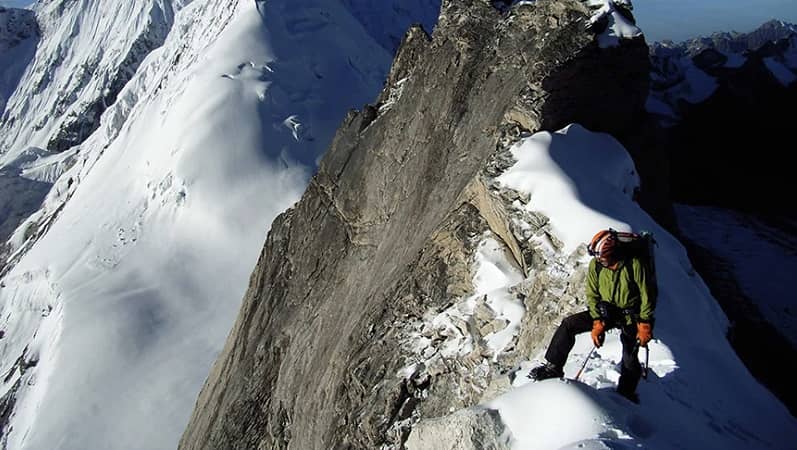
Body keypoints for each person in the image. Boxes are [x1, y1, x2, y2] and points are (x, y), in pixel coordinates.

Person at [528, 229, 657, 403]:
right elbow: (592, 294)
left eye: (603, 258)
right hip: (606, 313)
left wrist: (645, 323)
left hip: (631, 316)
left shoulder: (634, 265)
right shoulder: (596, 266)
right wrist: (597, 321)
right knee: (569, 325)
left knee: (629, 355)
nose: (600, 261)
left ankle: (627, 393)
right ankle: (553, 367)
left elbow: (647, 295)